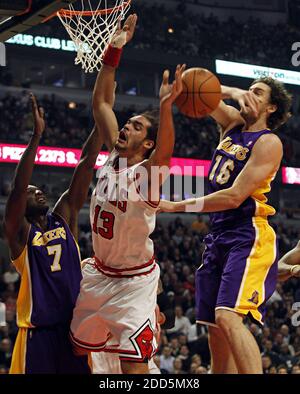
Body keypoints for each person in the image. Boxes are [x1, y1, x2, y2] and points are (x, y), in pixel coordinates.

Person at [69, 14, 185, 374]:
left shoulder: (146, 175)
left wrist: (166, 107)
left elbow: (165, 151)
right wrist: (114, 50)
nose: (127, 127)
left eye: (136, 127)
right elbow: (101, 103)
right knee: (79, 353)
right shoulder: (112, 157)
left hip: (134, 283)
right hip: (99, 273)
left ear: (146, 142)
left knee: (134, 366)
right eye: (129, 123)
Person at [159, 77, 292, 373]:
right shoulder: (232, 124)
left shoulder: (269, 142)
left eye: (257, 93)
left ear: (270, 107)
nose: (248, 95)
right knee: (215, 330)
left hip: (248, 234)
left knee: (227, 317)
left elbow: (233, 197)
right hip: (217, 236)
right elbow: (203, 90)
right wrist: (234, 91)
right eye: (248, 89)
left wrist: (178, 205)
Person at [3, 94, 103, 373]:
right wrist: (36, 137)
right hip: (38, 334)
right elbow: (18, 190)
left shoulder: (63, 219)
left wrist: (100, 121)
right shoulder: (20, 235)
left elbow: (84, 165)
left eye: (40, 190)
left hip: (73, 331)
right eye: (33, 192)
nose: (39, 192)